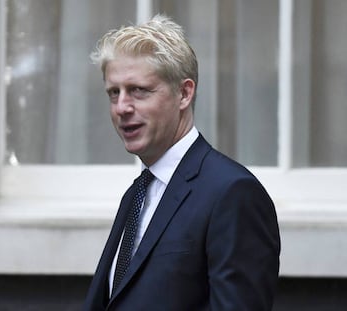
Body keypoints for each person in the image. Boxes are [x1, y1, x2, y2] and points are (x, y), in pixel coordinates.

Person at [84, 14, 280, 311]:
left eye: (139, 90)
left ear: (184, 94)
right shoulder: (137, 194)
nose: (122, 107)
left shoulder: (232, 193)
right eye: (114, 93)